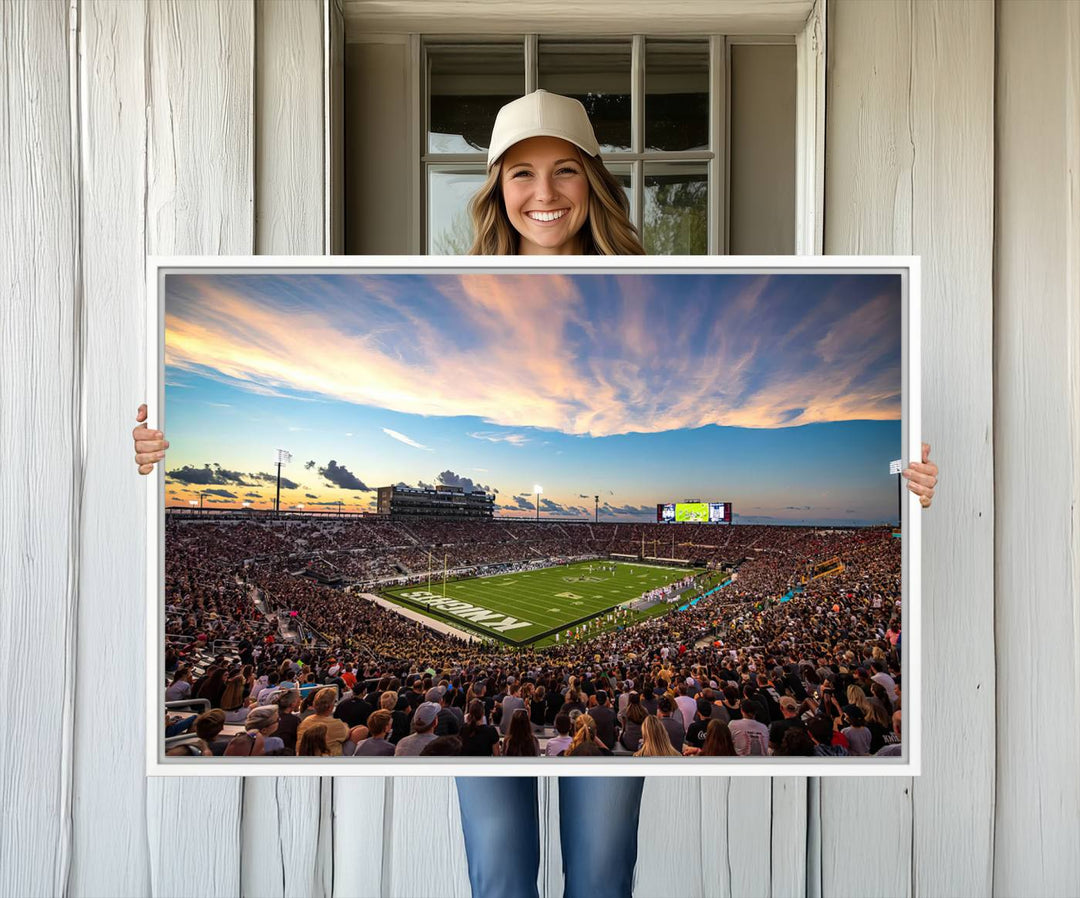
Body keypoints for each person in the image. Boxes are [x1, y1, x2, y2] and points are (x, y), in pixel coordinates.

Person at [135, 89, 939, 898]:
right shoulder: (456, 288)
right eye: (521, 173)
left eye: (564, 171)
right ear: (496, 188)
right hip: (496, 734)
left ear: (593, 181)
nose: (544, 193)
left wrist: (910, 485)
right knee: (500, 876)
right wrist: (152, 453)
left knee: (599, 876)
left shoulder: (655, 287)